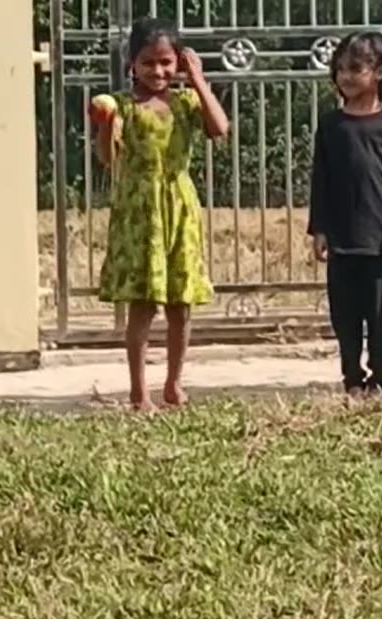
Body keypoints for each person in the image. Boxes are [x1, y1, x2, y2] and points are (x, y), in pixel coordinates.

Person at [91, 18, 229, 411]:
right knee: (143, 303)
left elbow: (220, 127)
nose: (159, 71)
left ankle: (173, 382)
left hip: (179, 206)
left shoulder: (186, 103)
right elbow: (107, 158)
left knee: (179, 304)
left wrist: (198, 79)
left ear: (179, 63)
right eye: (148, 62)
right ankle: (139, 391)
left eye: (167, 62)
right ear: (132, 63)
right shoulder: (121, 106)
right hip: (140, 211)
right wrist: (103, 127)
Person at [307, 32, 382, 397]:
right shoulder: (331, 125)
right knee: (345, 318)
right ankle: (352, 377)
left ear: (380, 71)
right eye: (340, 69)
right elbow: (320, 179)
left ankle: (379, 379)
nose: (346, 76)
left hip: (380, 242)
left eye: (355, 68)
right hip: (341, 239)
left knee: (380, 318)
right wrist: (319, 228)